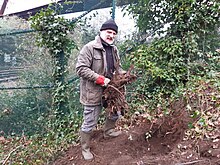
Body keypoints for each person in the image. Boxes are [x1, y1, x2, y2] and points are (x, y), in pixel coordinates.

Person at [75, 18, 125, 160]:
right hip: (93, 92)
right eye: (109, 32)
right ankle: (85, 148)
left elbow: (117, 68)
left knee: (115, 112)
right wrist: (100, 79)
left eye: (114, 33)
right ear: (101, 32)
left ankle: (108, 131)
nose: (111, 35)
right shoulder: (89, 48)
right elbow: (80, 69)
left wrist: (123, 75)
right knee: (90, 121)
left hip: (111, 91)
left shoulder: (114, 49)